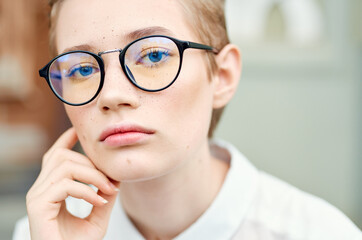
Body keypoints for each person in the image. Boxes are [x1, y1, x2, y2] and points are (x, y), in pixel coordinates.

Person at [13, 0, 362, 239]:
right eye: (82, 68)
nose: (111, 95)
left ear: (222, 76)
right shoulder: (44, 230)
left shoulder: (321, 233)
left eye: (152, 55)